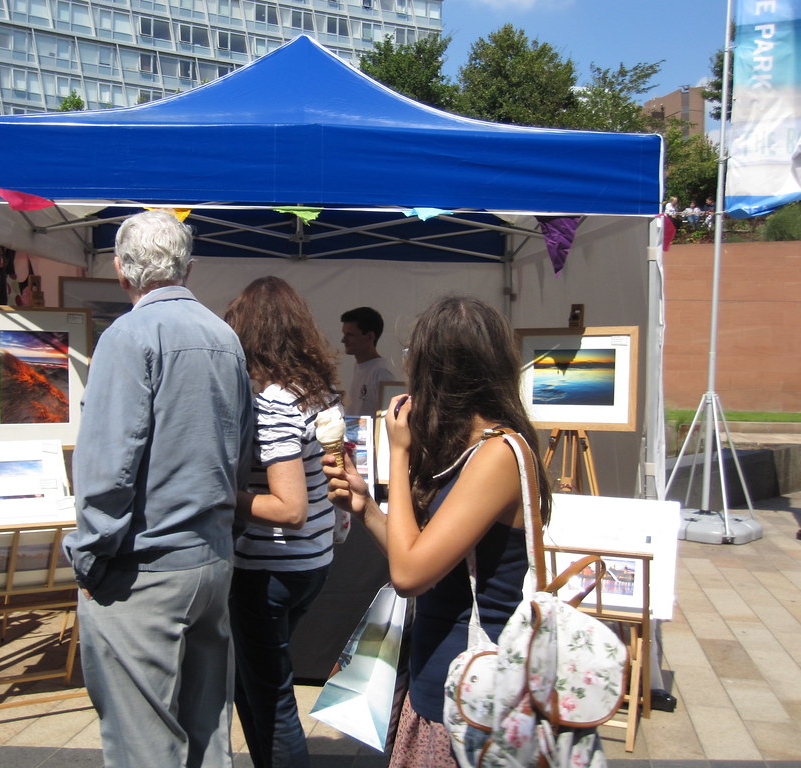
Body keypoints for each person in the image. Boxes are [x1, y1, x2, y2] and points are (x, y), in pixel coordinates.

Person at [322, 296, 552, 767]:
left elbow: (408, 575)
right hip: (441, 682)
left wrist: (399, 454)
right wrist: (365, 505)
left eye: (414, 360)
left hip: (472, 695)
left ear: (440, 371)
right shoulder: (469, 449)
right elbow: (423, 561)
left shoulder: (498, 455)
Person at [63, 210, 254, 768]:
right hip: (210, 560)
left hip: (144, 568)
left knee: (144, 745)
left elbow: (107, 468)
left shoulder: (127, 336)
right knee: (205, 735)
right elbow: (240, 453)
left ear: (121, 271)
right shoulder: (224, 336)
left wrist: (91, 556)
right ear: (188, 268)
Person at [223, 276, 341, 768]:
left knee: (270, 696)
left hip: (269, 568)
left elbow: (287, 508)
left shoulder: (272, 401)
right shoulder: (318, 391)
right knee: (251, 685)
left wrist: (222, 497)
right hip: (312, 561)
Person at [340, 306, 397, 417]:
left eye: (350, 335)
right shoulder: (359, 366)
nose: (343, 340)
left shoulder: (381, 373)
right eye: (344, 334)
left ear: (370, 336)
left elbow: (390, 418)